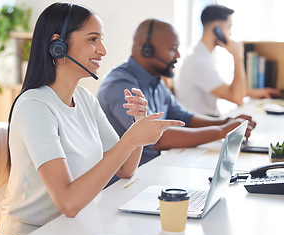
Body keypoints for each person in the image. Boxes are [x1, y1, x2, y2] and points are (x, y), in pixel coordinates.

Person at [0, 3, 184, 235]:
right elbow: (69, 203)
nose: (102, 50)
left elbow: (126, 169)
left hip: (73, 227)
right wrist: (131, 139)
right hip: (34, 233)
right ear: (58, 45)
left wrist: (138, 123)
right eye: (92, 39)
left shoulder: (84, 98)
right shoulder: (35, 106)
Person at [97, 18, 256, 169]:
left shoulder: (155, 81)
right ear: (147, 49)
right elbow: (156, 137)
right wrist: (222, 131)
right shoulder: (120, 85)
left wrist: (226, 122)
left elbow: (184, 117)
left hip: (148, 172)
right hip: (121, 185)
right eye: (173, 49)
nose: (178, 56)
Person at [175, 4, 282, 117]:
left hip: (206, 119)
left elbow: (226, 89)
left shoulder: (203, 54)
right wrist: (237, 56)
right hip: (200, 124)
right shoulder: (198, 60)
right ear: (216, 29)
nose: (230, 34)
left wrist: (255, 93)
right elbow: (237, 98)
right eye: (229, 28)